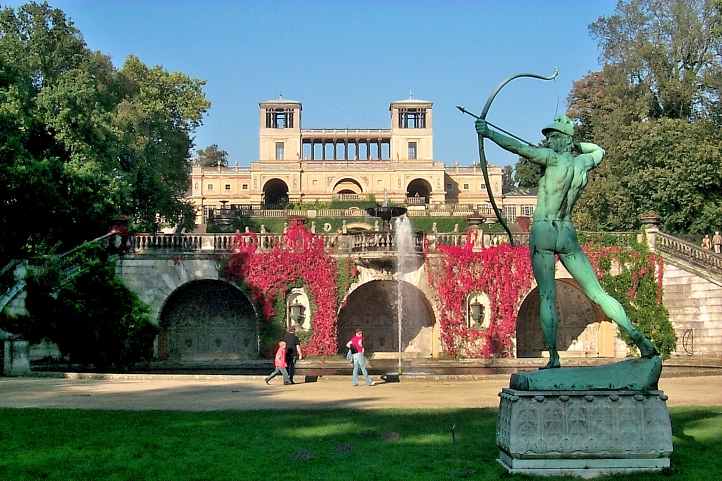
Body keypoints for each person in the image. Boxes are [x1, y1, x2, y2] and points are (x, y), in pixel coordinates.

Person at [476, 115, 658, 368]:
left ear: (562, 139)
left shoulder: (551, 158)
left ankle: (553, 358)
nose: (547, 140)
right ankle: (640, 339)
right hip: (567, 231)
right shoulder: (582, 163)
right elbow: (599, 151)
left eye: (552, 137)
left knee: (547, 297)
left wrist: (488, 132)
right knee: (598, 293)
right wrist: (575, 146)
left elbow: (518, 148)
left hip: (544, 230)